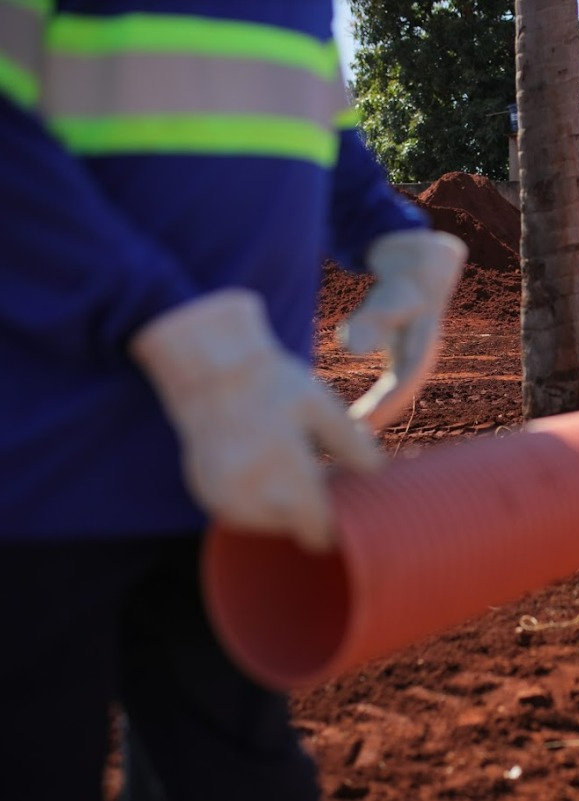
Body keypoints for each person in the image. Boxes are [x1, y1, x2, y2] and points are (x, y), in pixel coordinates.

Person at [0, 3, 467, 799]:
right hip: (38, 475)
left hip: (233, 481)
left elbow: (314, 126)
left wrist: (390, 232)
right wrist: (165, 324)